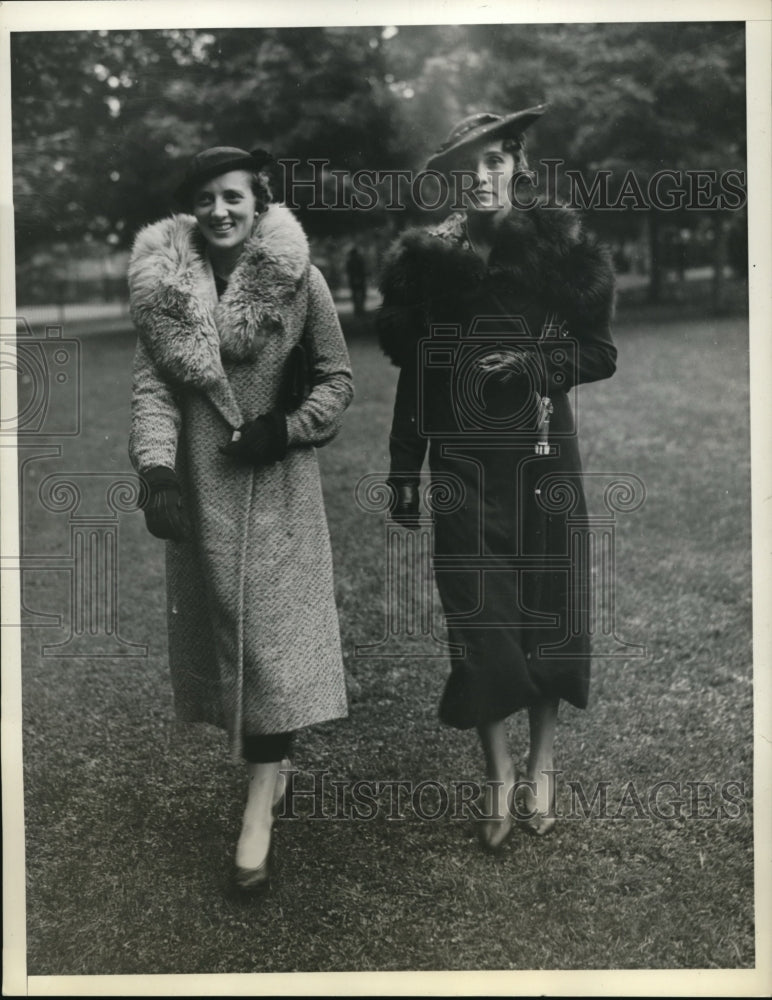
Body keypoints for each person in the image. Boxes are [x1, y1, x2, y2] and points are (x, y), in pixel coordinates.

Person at [377, 107, 617, 851]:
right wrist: (402, 468)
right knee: (479, 621)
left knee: (546, 612)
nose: (481, 179)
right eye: (466, 169)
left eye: (495, 163)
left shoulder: (562, 252)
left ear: (517, 166)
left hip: (544, 460)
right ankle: (498, 774)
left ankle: (542, 767)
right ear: (450, 180)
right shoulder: (425, 265)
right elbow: (415, 375)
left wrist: (533, 365)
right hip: (461, 469)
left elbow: (600, 353)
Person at [127, 146, 354, 891]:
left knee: (274, 652)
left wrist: (286, 427)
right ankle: (271, 768)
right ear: (190, 211)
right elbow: (154, 392)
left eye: (233, 197)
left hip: (279, 491)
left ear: (258, 202)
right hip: (203, 492)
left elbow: (336, 378)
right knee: (232, 644)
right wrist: (157, 470)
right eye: (205, 199)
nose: (219, 210)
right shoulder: (164, 291)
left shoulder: (300, 280)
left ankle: (259, 806)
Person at [345, 244, 368, 316]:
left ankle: (358, 309)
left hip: (354, 279)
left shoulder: (350, 261)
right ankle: (360, 309)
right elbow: (363, 269)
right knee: (361, 294)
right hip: (360, 279)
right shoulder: (359, 260)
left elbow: (347, 271)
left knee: (356, 294)